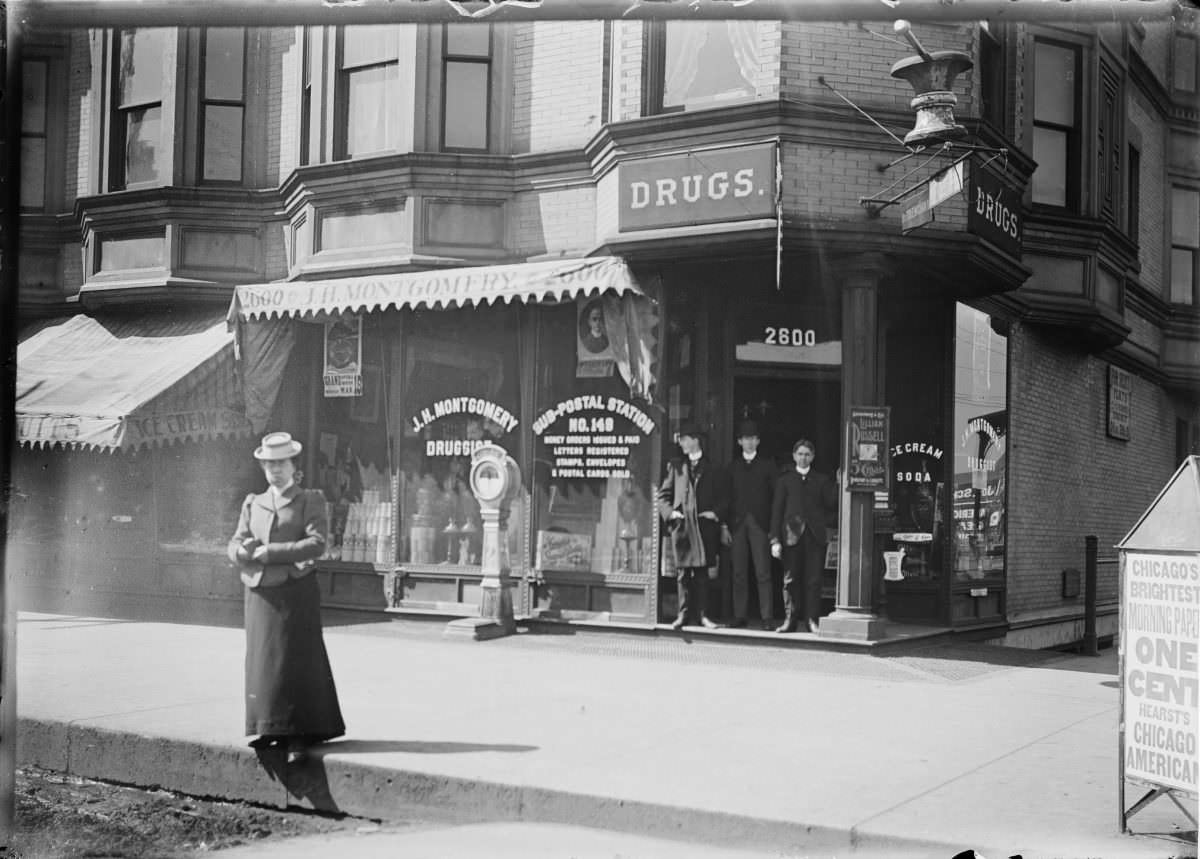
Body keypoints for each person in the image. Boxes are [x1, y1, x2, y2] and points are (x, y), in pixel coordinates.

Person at [228, 431, 345, 762]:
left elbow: (317, 543)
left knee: (295, 661)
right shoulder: (253, 502)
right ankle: (268, 727)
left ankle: (298, 735)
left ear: (294, 465)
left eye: (281, 463)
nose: (275, 470)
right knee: (264, 661)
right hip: (260, 593)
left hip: (296, 590)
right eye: (269, 464)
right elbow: (235, 541)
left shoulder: (311, 500)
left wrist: (269, 553)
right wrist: (242, 551)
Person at [657, 423, 725, 630]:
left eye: (685, 439)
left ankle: (704, 616)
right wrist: (671, 514)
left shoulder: (713, 467)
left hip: (704, 527)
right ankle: (683, 615)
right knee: (683, 574)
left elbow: (724, 497)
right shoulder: (676, 467)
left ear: (695, 440)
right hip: (683, 527)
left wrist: (716, 513)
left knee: (703, 574)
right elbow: (662, 496)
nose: (681, 443)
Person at [770, 438, 837, 635]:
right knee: (790, 580)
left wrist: (840, 483)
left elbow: (832, 503)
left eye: (807, 454)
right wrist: (774, 540)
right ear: (794, 456)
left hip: (815, 536)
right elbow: (776, 512)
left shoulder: (822, 480)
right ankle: (790, 620)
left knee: (814, 580)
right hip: (791, 536)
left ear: (813, 457)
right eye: (800, 454)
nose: (803, 458)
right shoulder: (785, 480)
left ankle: (811, 621)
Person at [724, 420, 778, 630]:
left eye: (752, 438)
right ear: (739, 441)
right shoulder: (733, 467)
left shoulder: (767, 466)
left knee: (763, 571)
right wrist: (725, 526)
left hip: (760, 524)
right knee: (738, 573)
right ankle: (740, 615)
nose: (749, 442)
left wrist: (772, 528)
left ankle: (767, 617)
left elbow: (775, 499)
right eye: (745, 439)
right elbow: (726, 498)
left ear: (758, 441)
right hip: (737, 524)